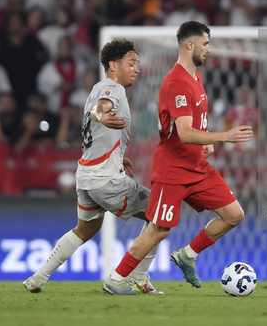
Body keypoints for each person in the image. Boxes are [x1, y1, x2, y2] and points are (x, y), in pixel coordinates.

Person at [103, 21, 253, 295]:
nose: (209, 49)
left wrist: (205, 141)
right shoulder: (176, 82)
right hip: (173, 169)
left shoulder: (196, 77)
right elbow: (183, 133)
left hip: (197, 166)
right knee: (158, 230)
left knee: (233, 214)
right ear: (190, 45)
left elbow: (193, 126)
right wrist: (224, 137)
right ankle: (116, 278)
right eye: (205, 44)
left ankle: (188, 255)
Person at [23, 39, 163, 295]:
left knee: (85, 229)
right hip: (106, 180)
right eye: (131, 63)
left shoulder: (97, 88)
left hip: (86, 177)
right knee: (161, 214)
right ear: (113, 65)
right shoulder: (113, 88)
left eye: (137, 64)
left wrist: (119, 155)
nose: (137, 69)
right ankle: (138, 278)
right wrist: (102, 116)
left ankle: (38, 277)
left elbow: (93, 127)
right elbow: (101, 111)